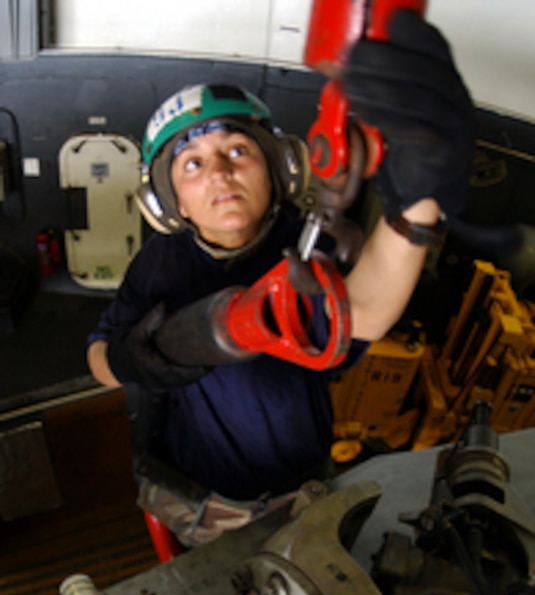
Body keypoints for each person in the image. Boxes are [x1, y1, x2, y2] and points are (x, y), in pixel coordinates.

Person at [87, 10, 474, 547]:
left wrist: (418, 199)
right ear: (168, 203)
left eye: (237, 150)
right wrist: (128, 361)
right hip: (199, 501)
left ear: (281, 170)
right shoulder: (157, 265)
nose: (219, 171)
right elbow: (99, 357)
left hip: (301, 498)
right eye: (191, 164)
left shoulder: (309, 248)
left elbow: (364, 307)